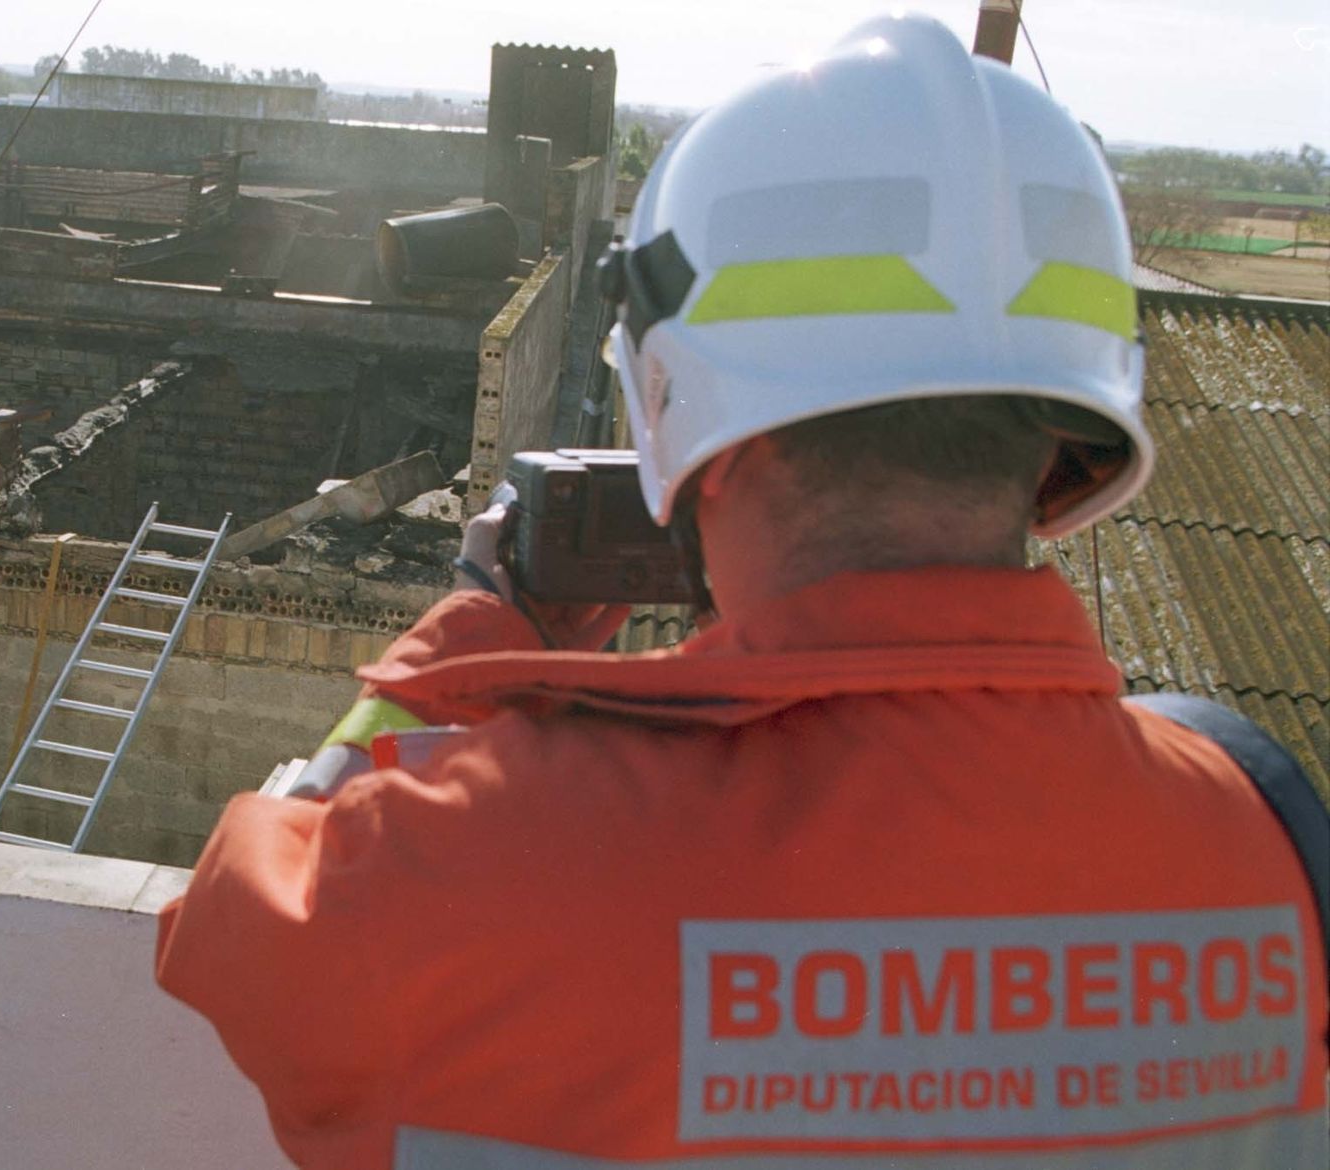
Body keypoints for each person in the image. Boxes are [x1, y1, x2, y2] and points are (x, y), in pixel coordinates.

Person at [155, 13, 1327, 1168]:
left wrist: (459, 646)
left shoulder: (481, 862)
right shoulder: (1266, 841)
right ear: (1068, 439)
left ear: (672, 405)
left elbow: (227, 925)